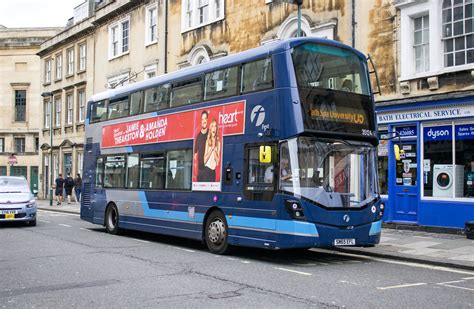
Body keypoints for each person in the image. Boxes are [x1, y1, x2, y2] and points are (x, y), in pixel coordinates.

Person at [194, 111, 213, 181]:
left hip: (209, 170)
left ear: (207, 120)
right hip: (200, 171)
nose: (204, 121)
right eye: (202, 119)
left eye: (205, 119)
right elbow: (195, 155)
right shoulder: (198, 136)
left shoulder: (210, 134)